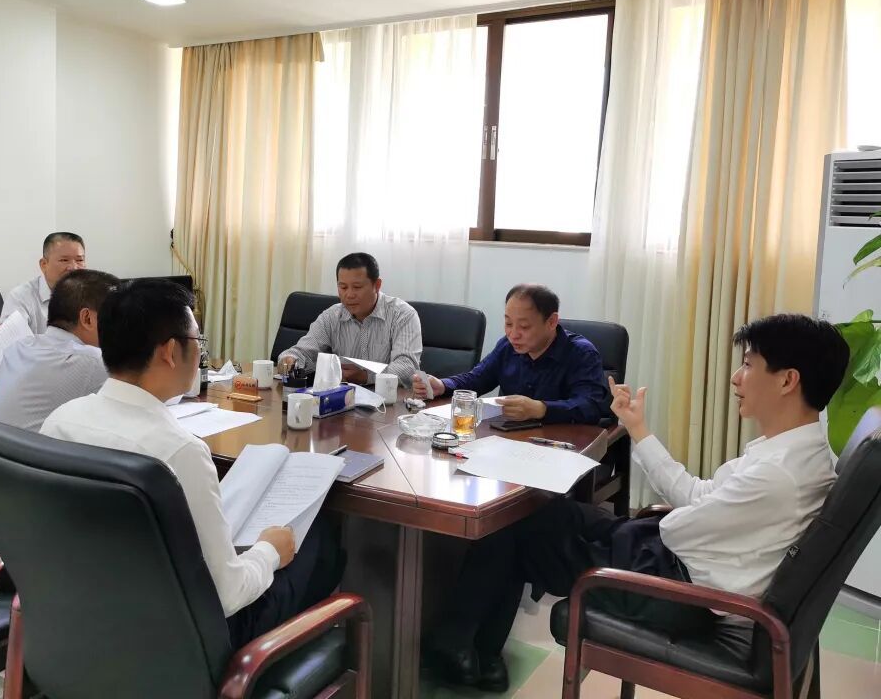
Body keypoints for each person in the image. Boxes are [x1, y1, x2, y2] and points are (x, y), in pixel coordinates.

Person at [424, 314, 849, 693]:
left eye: (749, 365)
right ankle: (472, 650)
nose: (737, 378)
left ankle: (459, 646)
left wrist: (658, 523)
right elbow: (696, 500)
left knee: (513, 525)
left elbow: (678, 528)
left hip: (676, 590)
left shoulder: (776, 474)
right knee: (539, 511)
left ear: (787, 380)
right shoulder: (800, 453)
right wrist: (637, 427)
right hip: (679, 563)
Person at [41, 279, 345, 646]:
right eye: (197, 340)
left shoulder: (60, 420)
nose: (200, 350)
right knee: (318, 541)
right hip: (181, 639)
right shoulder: (179, 452)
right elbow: (229, 595)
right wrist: (269, 551)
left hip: (82, 621)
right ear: (171, 351)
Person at [0, 269, 119, 529]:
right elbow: (152, 391)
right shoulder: (89, 361)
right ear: (88, 318)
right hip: (16, 524)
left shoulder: (20, 347)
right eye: (117, 317)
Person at [413, 284, 609, 424]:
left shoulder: (581, 353)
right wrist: (443, 385)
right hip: (510, 441)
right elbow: (477, 379)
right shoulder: (508, 346)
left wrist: (542, 409)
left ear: (551, 322)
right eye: (508, 323)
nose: (513, 334)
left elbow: (591, 406)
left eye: (524, 326)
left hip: (562, 448)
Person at [277, 253, 422, 386]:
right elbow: (300, 352)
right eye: (343, 287)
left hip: (389, 400)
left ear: (377, 285)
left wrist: (366, 377)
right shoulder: (331, 316)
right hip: (341, 398)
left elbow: (406, 368)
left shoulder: (403, 315)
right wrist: (289, 360)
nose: (349, 295)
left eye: (357, 287)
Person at [2, 232, 87, 333]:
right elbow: (13, 341)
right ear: (44, 264)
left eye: (79, 260)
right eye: (64, 260)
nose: (73, 267)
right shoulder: (21, 297)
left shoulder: (92, 295)